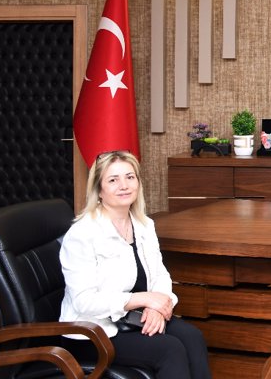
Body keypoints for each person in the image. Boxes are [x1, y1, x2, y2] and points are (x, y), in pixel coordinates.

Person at [59, 150, 211, 379]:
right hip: (92, 331)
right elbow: (84, 301)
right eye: (113, 180)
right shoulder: (82, 233)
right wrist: (143, 299)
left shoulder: (144, 225)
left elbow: (160, 275)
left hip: (132, 318)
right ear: (99, 189)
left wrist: (156, 308)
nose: (124, 185)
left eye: (130, 177)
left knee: (192, 337)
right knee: (169, 349)